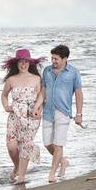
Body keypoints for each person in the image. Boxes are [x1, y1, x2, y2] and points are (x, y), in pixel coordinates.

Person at [1, 48, 44, 185]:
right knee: (12, 146)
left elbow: (41, 96)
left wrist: (38, 109)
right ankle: (17, 167)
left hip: (31, 115)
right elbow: (4, 95)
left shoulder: (37, 79)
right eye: (21, 62)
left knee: (26, 144)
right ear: (16, 63)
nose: (23, 65)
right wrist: (6, 105)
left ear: (30, 63)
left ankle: (21, 176)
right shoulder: (11, 80)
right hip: (15, 115)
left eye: (26, 62)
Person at [41, 44, 83, 182]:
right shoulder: (46, 71)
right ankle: (63, 161)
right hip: (47, 111)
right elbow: (43, 90)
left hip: (63, 112)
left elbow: (78, 93)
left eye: (56, 59)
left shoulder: (73, 72)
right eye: (52, 58)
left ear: (65, 59)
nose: (53, 61)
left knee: (59, 144)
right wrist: (37, 107)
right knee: (47, 143)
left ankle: (52, 173)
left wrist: (79, 114)